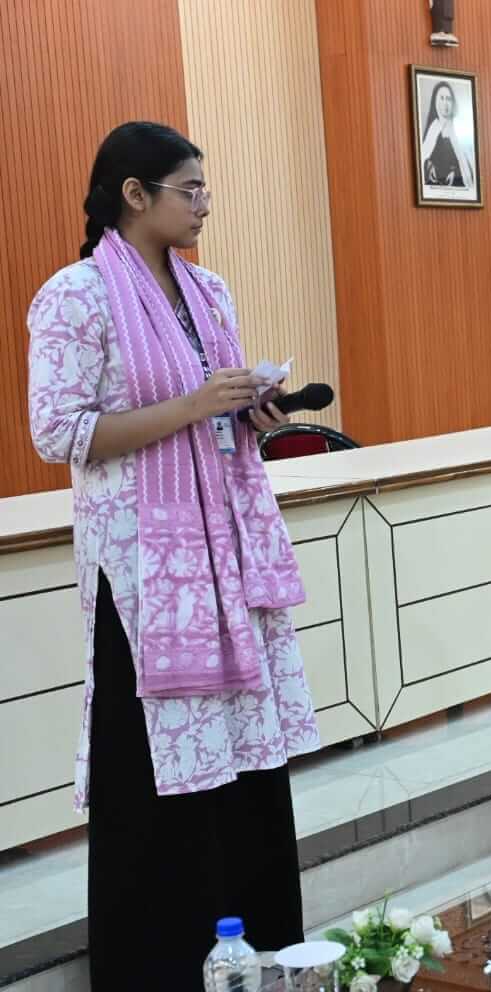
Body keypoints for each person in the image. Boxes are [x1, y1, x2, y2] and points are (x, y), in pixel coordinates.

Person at [26, 121, 317, 989]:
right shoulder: (76, 295)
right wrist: (194, 405)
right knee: (150, 766)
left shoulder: (208, 290)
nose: (204, 205)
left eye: (205, 189)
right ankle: (155, 963)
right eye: (190, 189)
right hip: (143, 571)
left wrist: (247, 411)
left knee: (245, 759)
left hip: (223, 552)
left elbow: (210, 416)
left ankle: (258, 945)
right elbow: (59, 432)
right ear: (134, 193)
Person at [421, 80, 474, 188]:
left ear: (452, 103)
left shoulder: (459, 129)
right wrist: (430, 167)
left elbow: (468, 165)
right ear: (435, 101)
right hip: (435, 186)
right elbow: (424, 159)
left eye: (448, 99)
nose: (445, 103)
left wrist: (456, 173)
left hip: (458, 184)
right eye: (442, 98)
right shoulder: (433, 129)